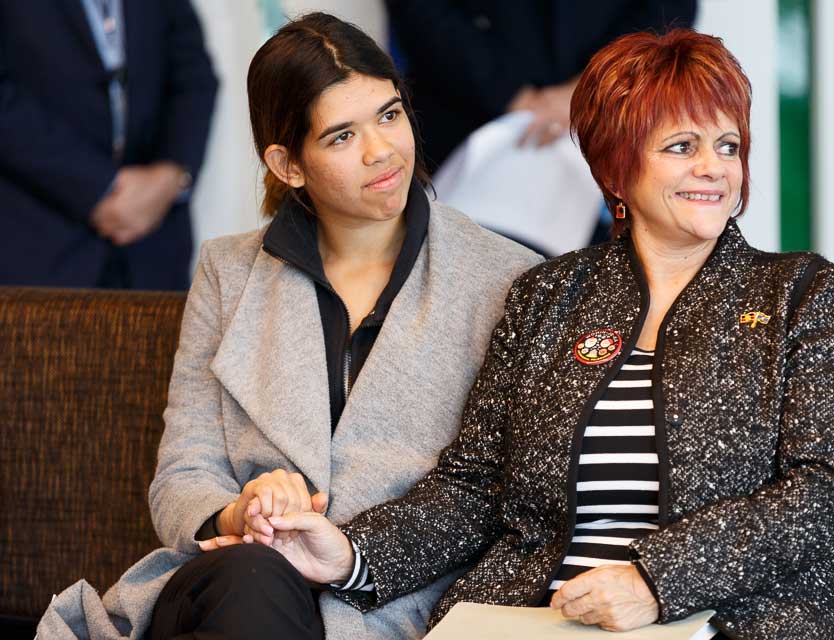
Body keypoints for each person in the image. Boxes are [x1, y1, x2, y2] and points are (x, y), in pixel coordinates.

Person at [228, 30, 834, 639]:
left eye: (728, 145)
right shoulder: (548, 295)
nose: (713, 167)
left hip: (735, 622)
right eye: (682, 146)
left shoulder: (800, 293)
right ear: (617, 168)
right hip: (539, 621)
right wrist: (349, 553)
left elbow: (823, 489)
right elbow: (473, 486)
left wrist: (656, 581)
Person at [36, 12, 539, 640]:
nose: (381, 150)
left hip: (396, 602)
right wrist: (236, 512)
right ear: (287, 164)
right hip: (230, 584)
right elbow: (181, 475)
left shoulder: (511, 278)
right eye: (341, 136)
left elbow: (503, 494)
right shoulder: (229, 270)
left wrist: (345, 553)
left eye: (389, 115)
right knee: (256, 575)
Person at [0, 1, 217, 290]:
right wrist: (97, 186)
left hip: (153, 250)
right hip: (36, 243)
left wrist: (171, 174)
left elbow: (193, 73)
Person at [386, 1, 697, 171]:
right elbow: (419, 10)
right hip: (458, 118)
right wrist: (509, 93)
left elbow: (668, 9)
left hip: (608, 125)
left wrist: (587, 90)